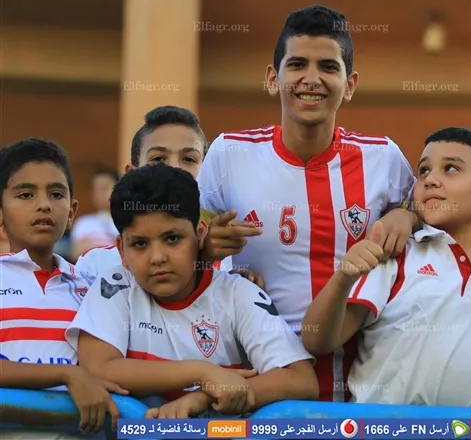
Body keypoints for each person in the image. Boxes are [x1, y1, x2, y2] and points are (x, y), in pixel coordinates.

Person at [197, 5, 418, 402]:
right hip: (252, 388)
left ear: (349, 85)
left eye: (328, 67)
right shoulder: (228, 154)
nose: (311, 79)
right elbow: (184, 248)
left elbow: (436, 216)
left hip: (360, 395)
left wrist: (409, 214)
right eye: (297, 64)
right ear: (273, 78)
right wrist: (206, 248)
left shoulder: (383, 158)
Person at [302, 127, 471, 408]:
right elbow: (318, 341)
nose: (430, 180)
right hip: (389, 428)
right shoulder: (394, 256)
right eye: (424, 171)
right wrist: (343, 278)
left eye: (450, 168)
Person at [67, 163, 318, 419]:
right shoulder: (114, 286)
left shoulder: (236, 293)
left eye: (172, 239)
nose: (157, 257)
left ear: (200, 234)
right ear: (121, 250)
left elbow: (301, 380)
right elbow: (96, 369)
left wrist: (204, 397)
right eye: (140, 243)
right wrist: (202, 373)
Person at [0, 138, 126, 435]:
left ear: (71, 212)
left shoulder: (91, 289)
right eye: (26, 194)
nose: (44, 204)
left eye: (56, 194)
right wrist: (67, 374)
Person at [75, 106, 252, 287]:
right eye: (158, 158)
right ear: (131, 174)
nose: (174, 168)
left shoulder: (233, 267)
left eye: (189, 159)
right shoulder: (94, 267)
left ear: (208, 175)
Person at [70, 168, 120, 261]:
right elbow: (76, 253)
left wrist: (94, 246)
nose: (99, 193)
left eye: (104, 188)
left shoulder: (127, 221)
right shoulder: (83, 223)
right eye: (96, 189)